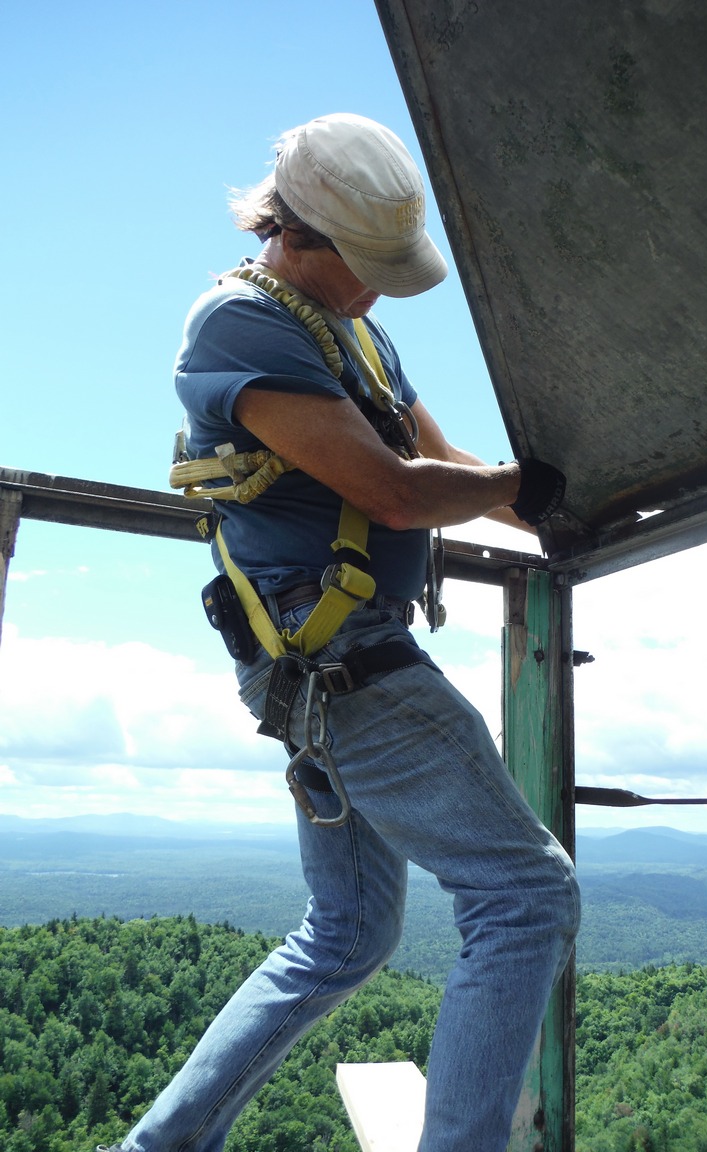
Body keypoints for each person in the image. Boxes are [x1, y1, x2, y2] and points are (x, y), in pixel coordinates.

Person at [103, 112, 580, 1152]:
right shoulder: (239, 323)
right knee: (526, 893)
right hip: (345, 664)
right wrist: (509, 485)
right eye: (362, 266)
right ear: (298, 232)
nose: (373, 289)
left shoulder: (353, 332)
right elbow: (395, 494)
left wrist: (556, 507)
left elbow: (449, 465)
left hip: (323, 674)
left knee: (349, 935)